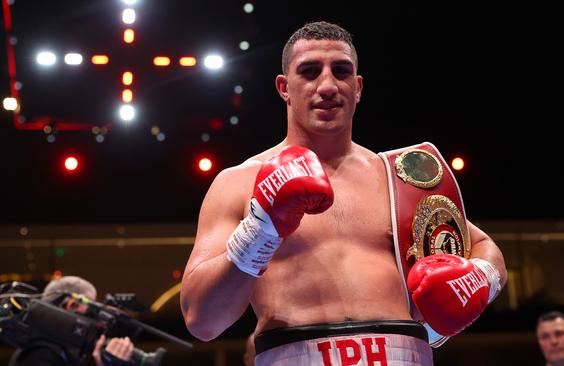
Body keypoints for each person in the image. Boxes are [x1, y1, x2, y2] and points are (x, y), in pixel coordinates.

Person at [181, 21, 507, 365]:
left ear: (358, 86)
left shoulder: (398, 178)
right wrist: (261, 228)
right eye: (309, 72)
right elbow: (202, 320)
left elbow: (487, 250)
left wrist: (480, 277)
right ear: (284, 87)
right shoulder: (238, 183)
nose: (327, 85)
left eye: (341, 71)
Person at [9, 276, 134, 366]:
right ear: (72, 305)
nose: (93, 318)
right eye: (91, 309)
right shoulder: (42, 354)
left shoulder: (54, 349)